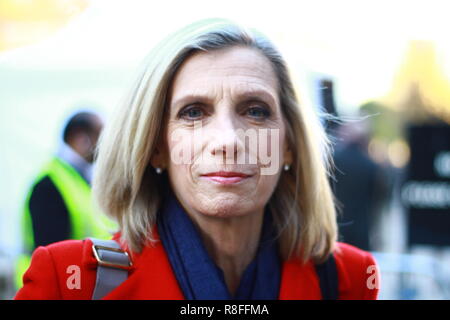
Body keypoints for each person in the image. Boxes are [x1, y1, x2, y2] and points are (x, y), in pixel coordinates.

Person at [15, 19, 379, 300]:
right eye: (193, 112)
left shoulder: (348, 278)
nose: (227, 140)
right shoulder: (66, 279)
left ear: (289, 144)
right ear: (156, 146)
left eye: (255, 110)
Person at [15, 111, 115, 289]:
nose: (106, 144)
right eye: (100, 135)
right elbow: (50, 254)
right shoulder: (50, 184)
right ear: (80, 138)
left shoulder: (78, 179)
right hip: (49, 288)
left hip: (72, 285)